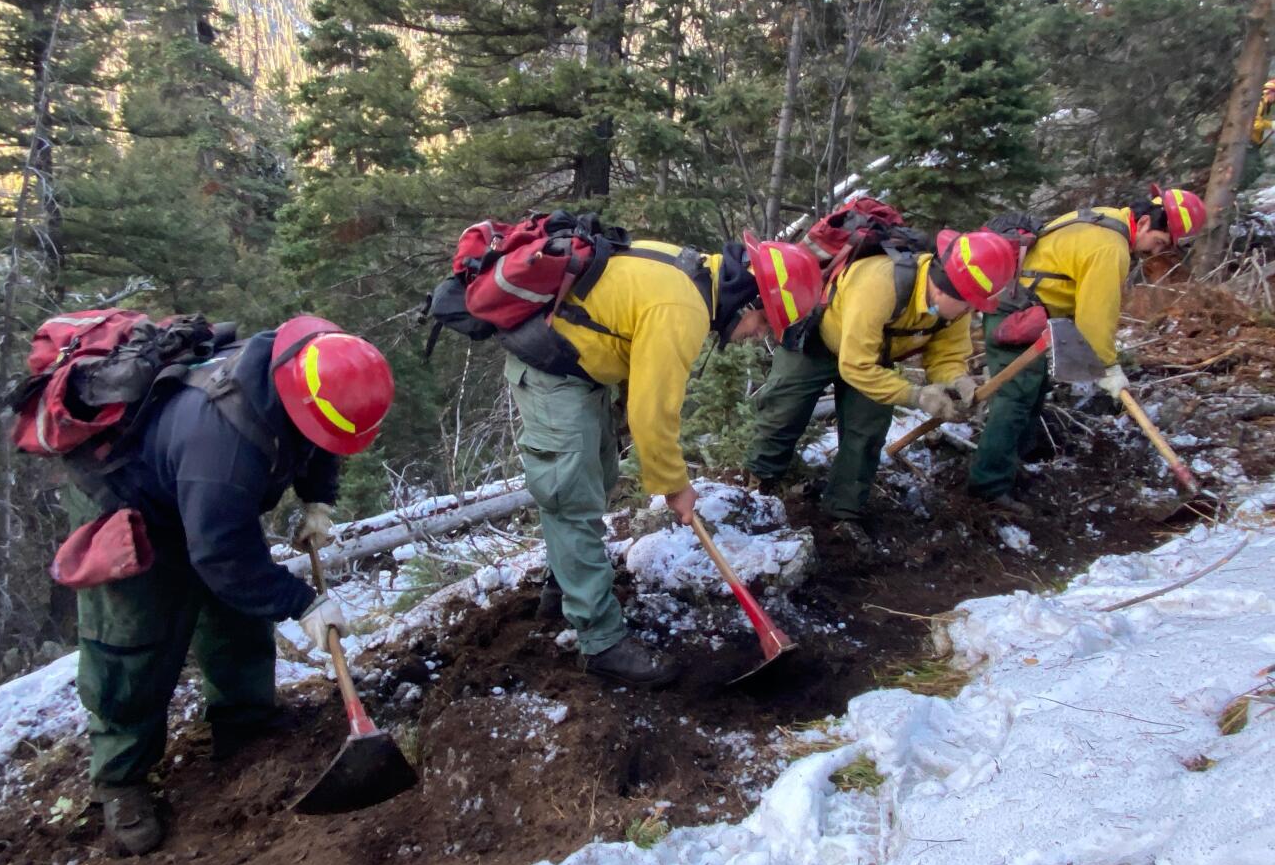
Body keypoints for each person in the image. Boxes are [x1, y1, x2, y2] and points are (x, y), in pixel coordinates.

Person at [72, 315, 393, 855]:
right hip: (133, 503)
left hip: (205, 499)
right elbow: (221, 557)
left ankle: (244, 726)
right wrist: (303, 603)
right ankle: (119, 780)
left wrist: (318, 498)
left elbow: (320, 440)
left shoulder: (311, 366)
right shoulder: (221, 447)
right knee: (135, 647)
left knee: (239, 619)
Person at [505, 232, 821, 689]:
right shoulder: (684, 308)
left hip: (581, 367)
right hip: (553, 369)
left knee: (597, 478)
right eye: (763, 324)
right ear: (748, 300)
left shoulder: (694, 271)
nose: (759, 337)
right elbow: (654, 413)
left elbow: (637, 351)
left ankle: (564, 587)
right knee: (570, 495)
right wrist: (675, 485)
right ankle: (601, 643)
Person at [744, 230, 1017, 546]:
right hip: (818, 340)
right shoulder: (880, 283)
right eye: (969, 304)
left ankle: (841, 517)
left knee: (867, 433)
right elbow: (855, 366)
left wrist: (956, 381)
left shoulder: (954, 307)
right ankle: (757, 490)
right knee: (782, 411)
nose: (973, 311)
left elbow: (946, 355)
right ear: (944, 290)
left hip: (874, 357)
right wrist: (917, 396)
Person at [967, 187, 1207, 514]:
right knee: (1016, 395)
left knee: (1033, 390)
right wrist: (1109, 368)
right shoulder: (1111, 247)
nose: (1155, 252)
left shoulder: (1107, 218)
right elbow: (1095, 319)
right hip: (1013, 312)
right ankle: (988, 489)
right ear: (1147, 222)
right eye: (1160, 242)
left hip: (1025, 307)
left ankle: (1011, 468)